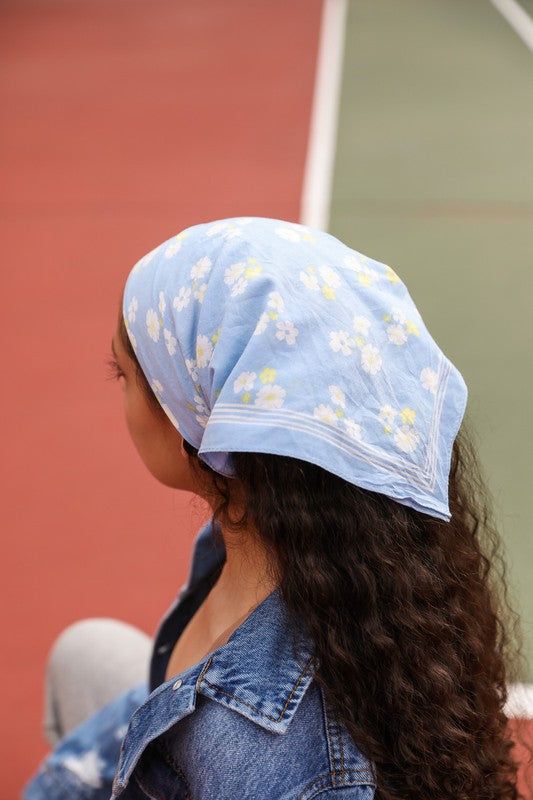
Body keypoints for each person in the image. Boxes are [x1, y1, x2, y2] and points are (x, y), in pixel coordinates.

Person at [23, 217, 529, 800]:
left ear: (193, 418)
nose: (120, 393)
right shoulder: (295, 536)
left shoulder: (296, 771)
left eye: (126, 374)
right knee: (86, 652)